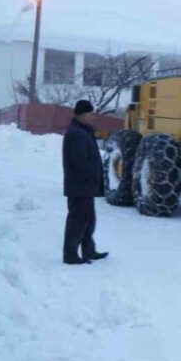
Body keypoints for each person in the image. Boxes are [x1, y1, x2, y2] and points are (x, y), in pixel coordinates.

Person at [62, 99, 108, 265]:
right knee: (77, 221)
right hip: (79, 186)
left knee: (88, 220)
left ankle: (88, 250)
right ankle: (70, 255)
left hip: (86, 186)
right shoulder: (76, 133)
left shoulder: (84, 130)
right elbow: (80, 162)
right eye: (90, 114)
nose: (93, 117)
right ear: (81, 114)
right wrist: (91, 176)